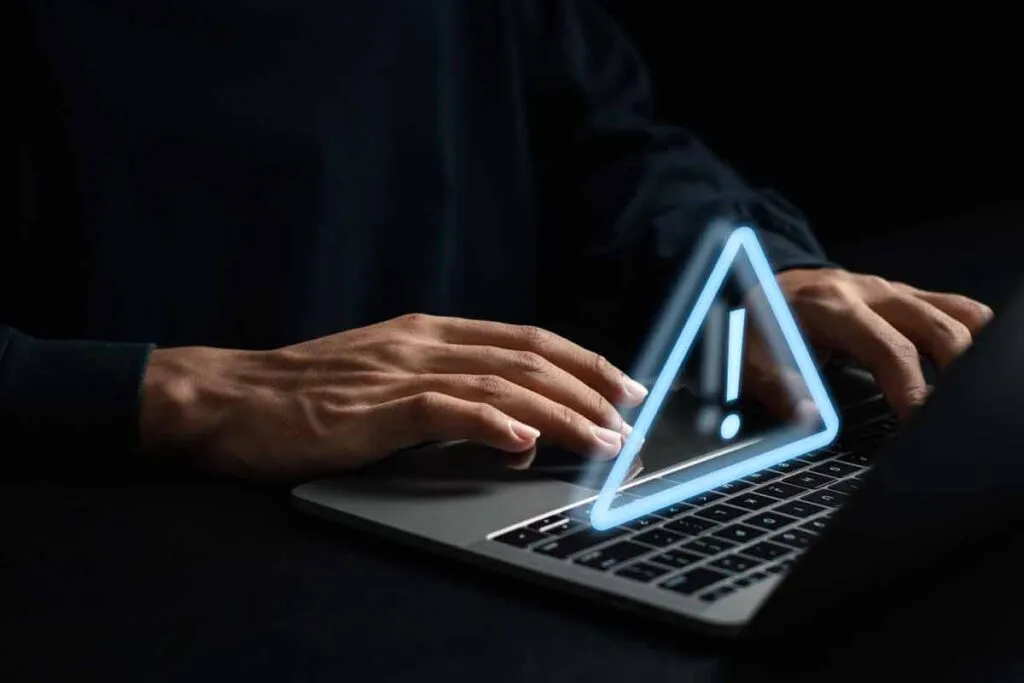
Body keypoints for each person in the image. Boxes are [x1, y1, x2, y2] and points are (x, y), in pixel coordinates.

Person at [2, 0, 991, 480]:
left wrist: (753, 266)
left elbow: (597, 135)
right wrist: (159, 390)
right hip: (101, 548)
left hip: (469, 496)